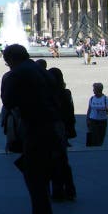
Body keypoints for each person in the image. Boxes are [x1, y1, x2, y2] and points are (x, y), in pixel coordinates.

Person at [1, 44, 62, 214]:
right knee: (41, 172)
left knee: (34, 175)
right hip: (52, 124)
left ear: (11, 59)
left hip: (35, 125)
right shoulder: (40, 69)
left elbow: (8, 100)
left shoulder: (17, 73)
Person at [47, 67, 76, 201]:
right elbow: (70, 112)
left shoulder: (48, 93)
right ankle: (70, 190)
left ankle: (57, 190)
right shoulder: (66, 93)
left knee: (53, 161)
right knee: (63, 161)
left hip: (52, 128)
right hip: (62, 129)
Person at [86, 82, 108, 147]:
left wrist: (103, 109)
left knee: (101, 137)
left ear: (98, 89)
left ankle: (98, 149)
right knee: (93, 137)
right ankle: (94, 150)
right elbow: (89, 109)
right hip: (93, 120)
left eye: (94, 89)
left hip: (102, 121)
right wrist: (87, 119)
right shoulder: (92, 98)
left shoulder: (105, 98)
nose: (93, 90)